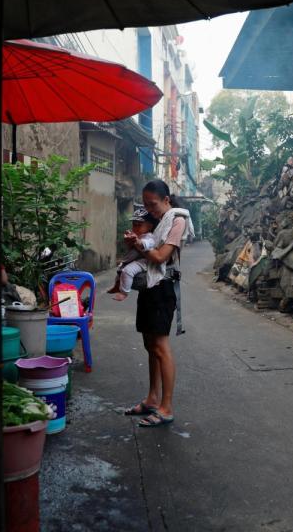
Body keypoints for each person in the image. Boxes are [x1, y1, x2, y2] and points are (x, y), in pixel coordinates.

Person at [123, 180, 194, 427]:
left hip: (163, 288)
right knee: (149, 343)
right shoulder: (158, 220)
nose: (150, 210)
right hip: (149, 287)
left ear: (166, 200)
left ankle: (166, 407)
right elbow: (146, 244)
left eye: (153, 205)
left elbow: (161, 256)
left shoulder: (177, 221)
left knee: (161, 347)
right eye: (146, 205)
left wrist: (138, 247)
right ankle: (152, 398)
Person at [106, 206, 157, 302]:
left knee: (127, 271)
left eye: (139, 225)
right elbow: (131, 249)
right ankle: (117, 286)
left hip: (144, 261)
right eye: (134, 224)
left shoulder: (149, 237)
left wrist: (137, 241)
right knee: (120, 268)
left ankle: (124, 292)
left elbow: (145, 245)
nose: (136, 228)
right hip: (135, 259)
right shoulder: (137, 235)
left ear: (149, 226)